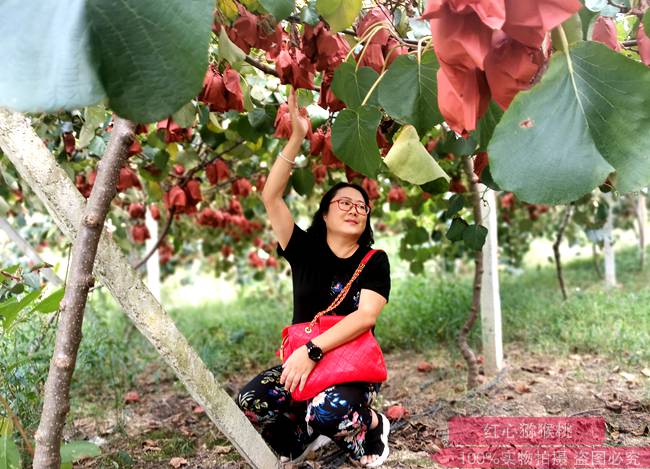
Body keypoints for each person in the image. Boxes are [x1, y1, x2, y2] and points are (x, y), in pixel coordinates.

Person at [236, 88, 391, 467]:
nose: (355, 209)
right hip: (302, 362)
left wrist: (312, 350)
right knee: (250, 402)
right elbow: (271, 197)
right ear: (324, 214)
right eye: (344, 203)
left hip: (346, 364)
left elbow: (365, 316)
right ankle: (300, 440)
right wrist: (296, 138)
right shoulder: (302, 249)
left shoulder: (374, 259)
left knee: (328, 412)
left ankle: (371, 428)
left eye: (362, 207)